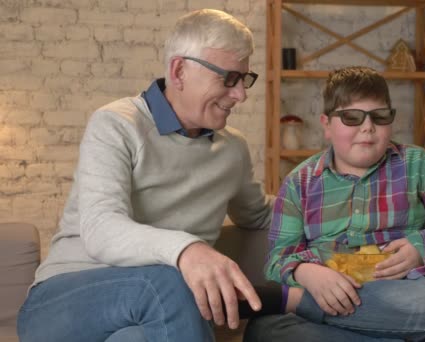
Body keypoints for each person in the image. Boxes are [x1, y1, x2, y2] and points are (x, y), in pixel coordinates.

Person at [18, 9, 283, 342]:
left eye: (244, 79)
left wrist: (339, 210)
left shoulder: (233, 149)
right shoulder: (116, 124)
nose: (240, 94)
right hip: (63, 301)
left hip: (160, 309)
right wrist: (188, 250)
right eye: (228, 78)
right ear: (179, 70)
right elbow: (101, 228)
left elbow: (258, 213)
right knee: (168, 280)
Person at [252, 66, 425, 341]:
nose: (367, 127)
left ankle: (293, 301)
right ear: (327, 125)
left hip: (399, 292)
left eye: (379, 116)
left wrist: (424, 245)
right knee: (264, 331)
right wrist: (306, 273)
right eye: (352, 117)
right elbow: (278, 259)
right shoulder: (299, 183)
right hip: (326, 287)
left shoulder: (415, 165)